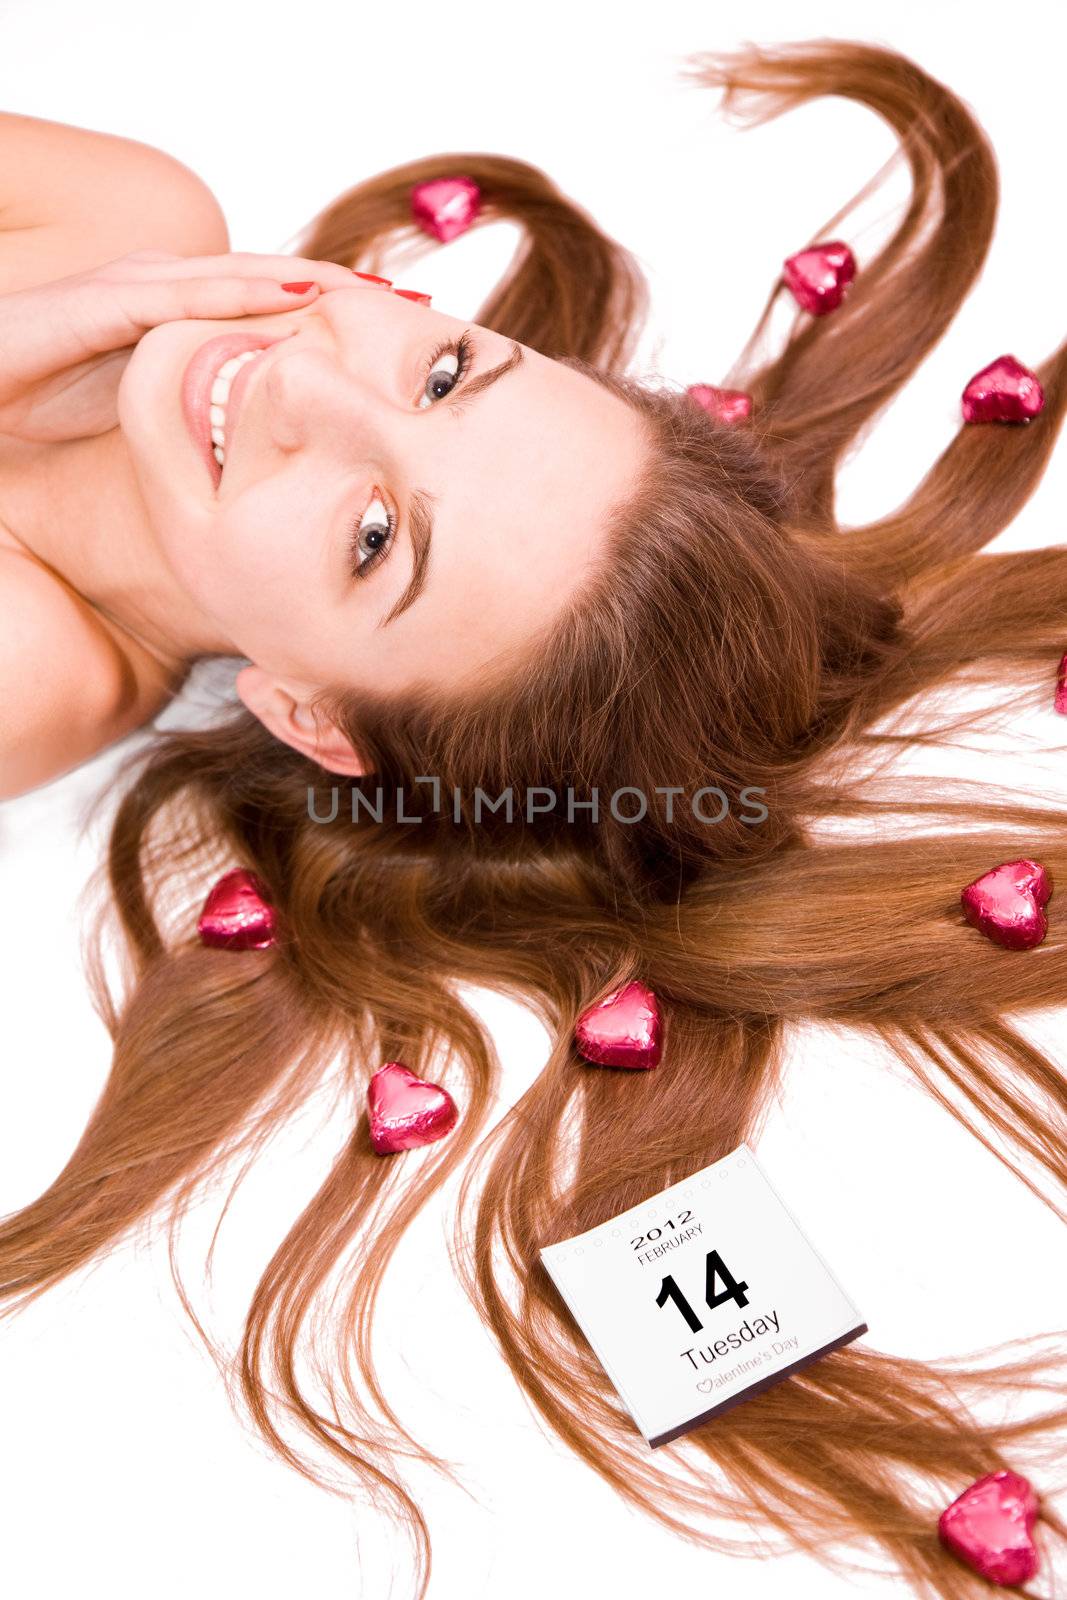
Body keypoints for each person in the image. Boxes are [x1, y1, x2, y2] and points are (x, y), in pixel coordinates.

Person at [1, 39, 1066, 1600]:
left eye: (371, 539)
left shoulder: (37, 666)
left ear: (305, 714)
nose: (305, 381)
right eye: (444, 375)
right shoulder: (142, 208)